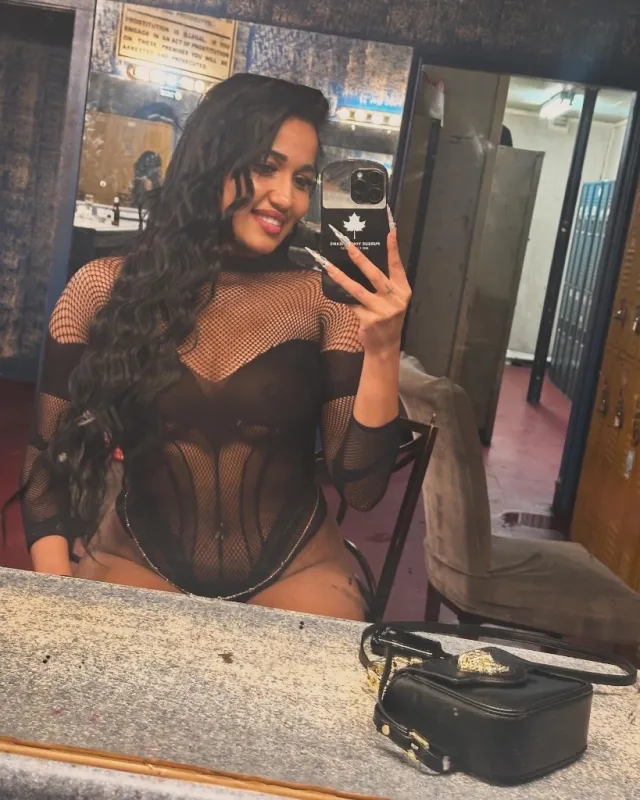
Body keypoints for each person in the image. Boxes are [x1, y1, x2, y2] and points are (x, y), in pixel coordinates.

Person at [20, 74, 411, 621]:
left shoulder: (321, 301)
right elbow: (47, 465)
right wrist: (56, 598)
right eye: (266, 167)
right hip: (139, 560)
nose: (287, 198)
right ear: (211, 161)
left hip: (298, 570)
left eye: (303, 179)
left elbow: (363, 489)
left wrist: (385, 348)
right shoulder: (102, 288)